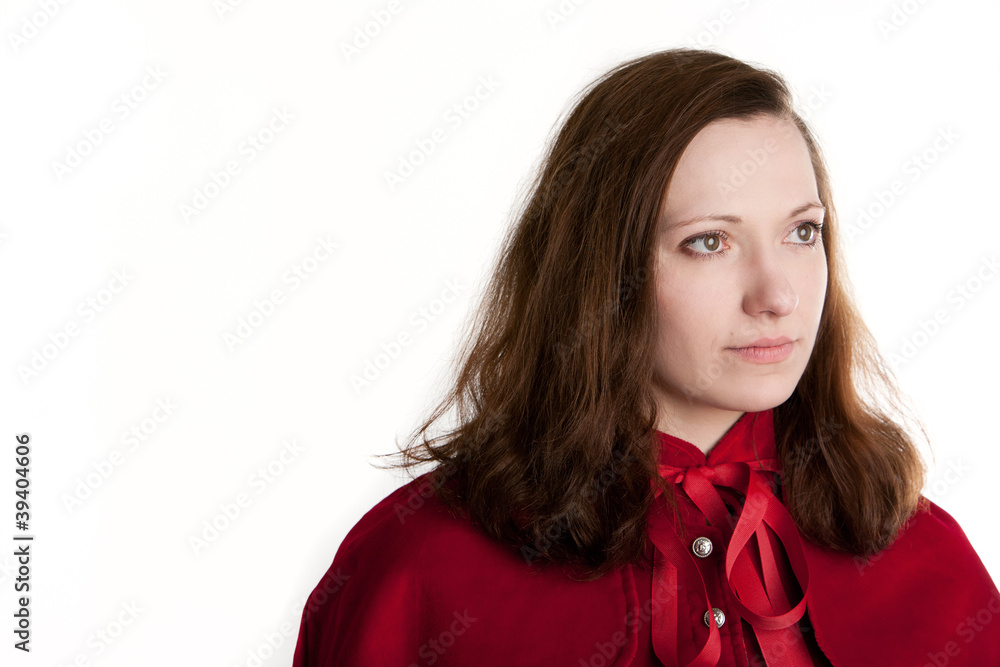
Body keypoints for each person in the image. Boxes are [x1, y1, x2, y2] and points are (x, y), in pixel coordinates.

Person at [291, 48, 1000, 666]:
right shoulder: (419, 567)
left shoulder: (925, 557)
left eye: (802, 232)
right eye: (709, 242)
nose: (778, 295)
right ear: (602, 270)